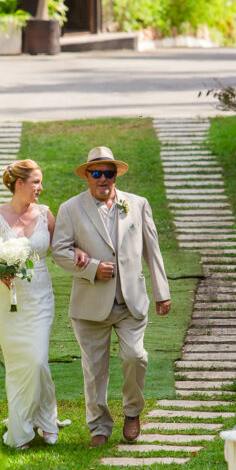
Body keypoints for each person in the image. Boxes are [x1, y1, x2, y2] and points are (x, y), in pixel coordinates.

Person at [52, 146, 171, 447]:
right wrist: (92, 268)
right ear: (87, 177)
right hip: (91, 305)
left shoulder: (138, 204)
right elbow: (59, 251)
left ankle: (132, 411)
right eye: (97, 173)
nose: (103, 178)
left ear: (115, 175)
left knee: (135, 356)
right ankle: (99, 427)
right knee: (94, 369)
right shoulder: (71, 209)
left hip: (131, 301)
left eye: (109, 172)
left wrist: (162, 292)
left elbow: (151, 249)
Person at [0, 159, 61, 450]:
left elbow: (62, 246)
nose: (40, 187)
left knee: (37, 360)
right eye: (36, 181)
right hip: (5, 300)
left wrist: (84, 258)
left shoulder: (46, 214)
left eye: (41, 181)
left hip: (39, 295)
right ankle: (21, 429)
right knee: (18, 364)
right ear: (19, 184)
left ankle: (46, 419)